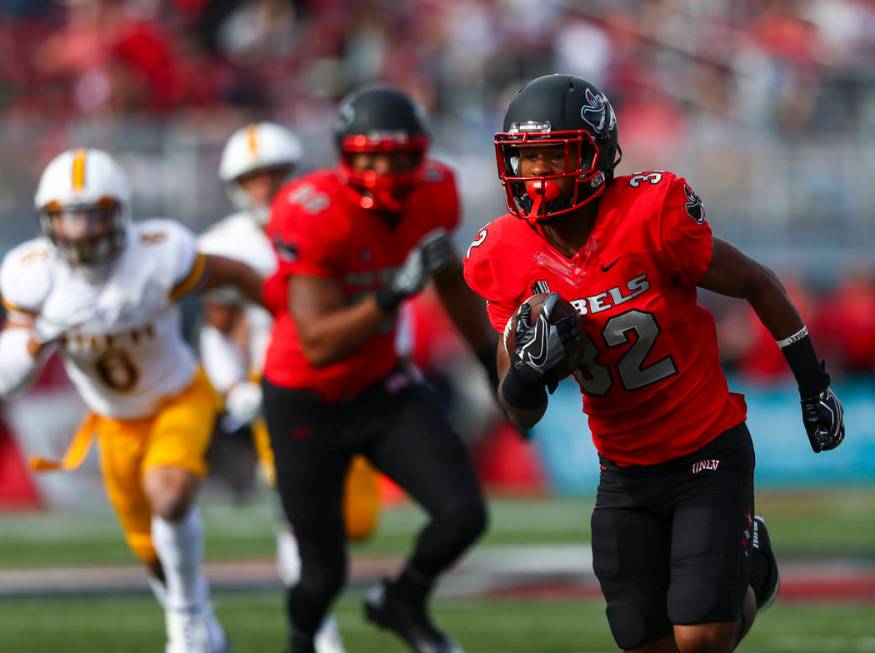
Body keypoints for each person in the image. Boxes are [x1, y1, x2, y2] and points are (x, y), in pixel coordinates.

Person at [464, 74, 845, 653]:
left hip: (706, 448)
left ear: (593, 154)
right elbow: (520, 415)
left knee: (702, 638)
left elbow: (759, 284)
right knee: (645, 642)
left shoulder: (652, 212)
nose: (534, 174)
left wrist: (813, 386)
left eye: (550, 156)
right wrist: (527, 369)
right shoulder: (504, 253)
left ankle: (750, 574)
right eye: (525, 157)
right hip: (623, 469)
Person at [261, 85, 499, 653]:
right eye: (370, 156)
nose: (385, 170)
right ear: (345, 156)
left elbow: (450, 281)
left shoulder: (436, 192)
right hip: (305, 398)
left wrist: (493, 363)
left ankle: (404, 600)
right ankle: (299, 643)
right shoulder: (310, 211)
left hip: (380, 387)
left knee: (463, 514)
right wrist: (393, 294)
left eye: (398, 156)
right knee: (322, 574)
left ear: (420, 155)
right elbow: (317, 344)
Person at [0, 148, 266, 653]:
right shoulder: (32, 274)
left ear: (119, 212)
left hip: (177, 397)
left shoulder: (159, 252)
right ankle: (202, 624)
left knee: (169, 495)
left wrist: (283, 311)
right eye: (68, 217)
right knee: (148, 548)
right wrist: (42, 336)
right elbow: (7, 379)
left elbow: (236, 275)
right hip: (112, 418)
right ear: (48, 221)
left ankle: (185, 626)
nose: (80, 231)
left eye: (92, 214)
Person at [198, 121, 366, 653]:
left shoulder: (337, 222)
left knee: (354, 520)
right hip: (277, 381)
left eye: (274, 175)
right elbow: (216, 330)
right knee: (296, 512)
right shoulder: (226, 245)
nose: (266, 188)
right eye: (253, 179)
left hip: (345, 377)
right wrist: (231, 389)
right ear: (235, 187)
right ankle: (320, 631)